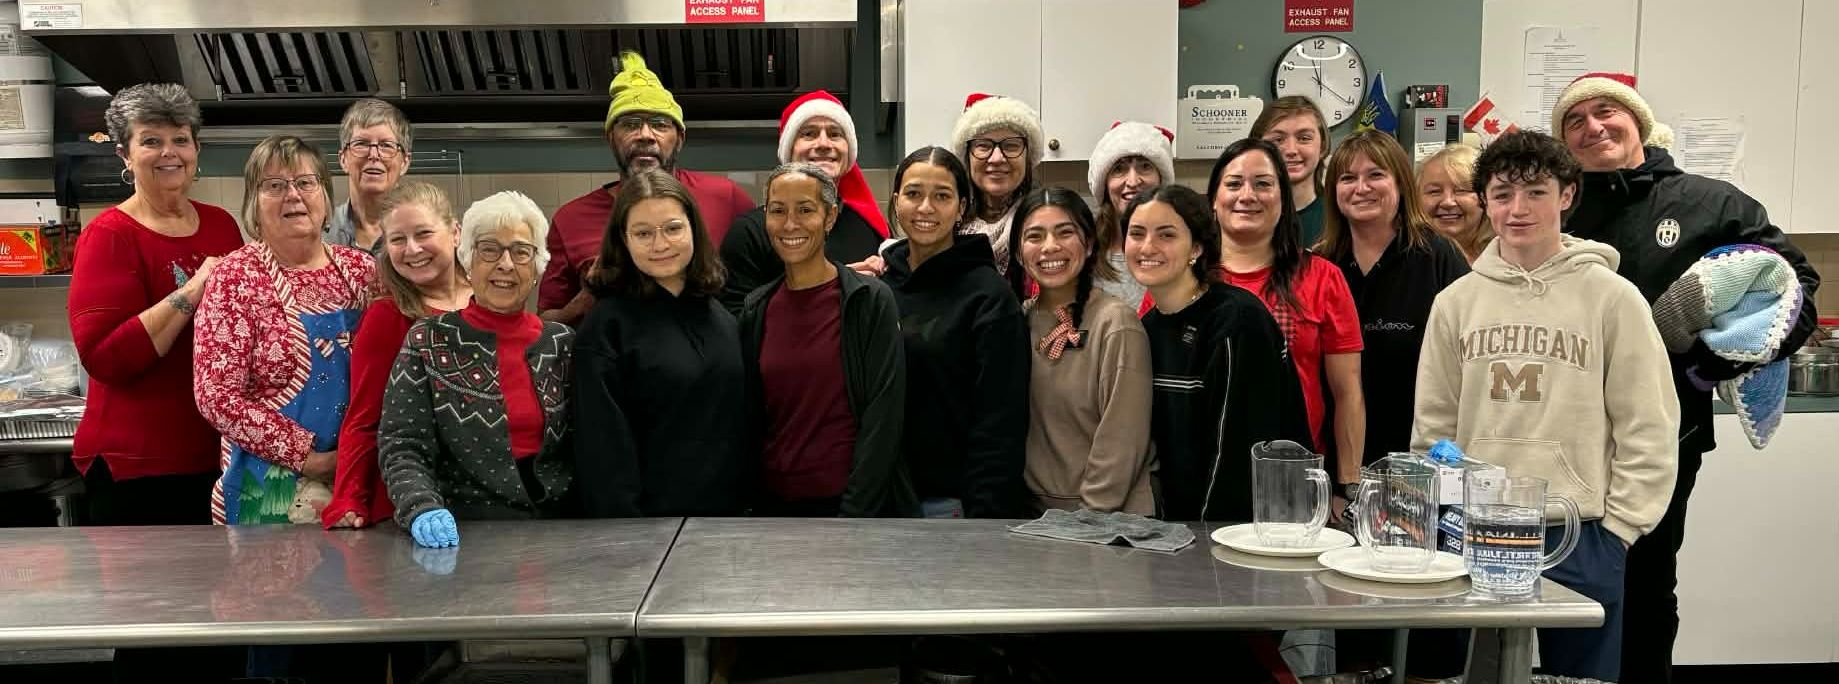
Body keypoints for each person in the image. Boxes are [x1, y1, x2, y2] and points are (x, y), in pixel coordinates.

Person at [1551, 72, 1823, 684]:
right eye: (1575, 121)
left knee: (1647, 582)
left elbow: (1793, 287)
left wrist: (1711, 367)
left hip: (1667, 434)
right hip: (1564, 435)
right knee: (1564, 582)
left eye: (1607, 111)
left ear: (1639, 122)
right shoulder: (1556, 208)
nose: (1594, 127)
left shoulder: (1711, 203)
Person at [1413, 129, 1680, 681]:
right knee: (1472, 675)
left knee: (1580, 679)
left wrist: (1621, 529)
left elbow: (1648, 422)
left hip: (1580, 531)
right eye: (1503, 194)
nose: (1518, 209)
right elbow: (1433, 424)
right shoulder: (1455, 302)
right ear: (1485, 201)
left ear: (1567, 195)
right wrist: (1441, 512)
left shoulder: (1613, 298)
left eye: (1536, 192)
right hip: (1474, 528)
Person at [66, 83, 242, 526]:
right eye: (151, 141)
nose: (169, 152)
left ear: (196, 150)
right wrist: (193, 289)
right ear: (125, 155)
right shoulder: (109, 235)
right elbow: (104, 358)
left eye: (180, 139)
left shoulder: (221, 225)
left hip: (215, 456)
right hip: (138, 468)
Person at [193, 135, 376, 526]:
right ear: (253, 205)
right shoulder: (236, 278)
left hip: (359, 477)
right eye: (274, 186)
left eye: (306, 183)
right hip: (266, 489)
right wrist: (308, 458)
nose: (293, 195)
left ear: (325, 197)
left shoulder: (363, 272)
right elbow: (216, 396)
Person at [381, 191, 576, 548]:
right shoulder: (428, 340)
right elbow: (403, 444)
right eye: (489, 250)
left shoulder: (563, 344)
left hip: (561, 533)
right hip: (465, 534)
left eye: (521, 252)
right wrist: (421, 506)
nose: (506, 264)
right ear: (468, 260)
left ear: (537, 267)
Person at [739, 163, 916, 518]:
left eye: (805, 210)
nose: (790, 224)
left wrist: (853, 515)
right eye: (778, 210)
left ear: (830, 217)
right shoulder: (756, 308)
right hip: (774, 510)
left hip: (850, 508)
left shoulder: (868, 300)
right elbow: (752, 419)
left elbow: (883, 419)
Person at [1126, 184, 1310, 521]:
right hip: (1175, 529)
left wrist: (1206, 536)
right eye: (1137, 233)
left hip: (1246, 529)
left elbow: (1237, 455)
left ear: (1196, 247)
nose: (1147, 246)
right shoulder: (1147, 326)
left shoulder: (1237, 320)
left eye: (1166, 235)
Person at [574, 171, 747, 517]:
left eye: (672, 228)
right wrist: (631, 537)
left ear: (693, 229)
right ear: (623, 240)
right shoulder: (605, 328)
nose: (660, 244)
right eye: (643, 233)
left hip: (730, 524)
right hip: (649, 530)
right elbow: (602, 457)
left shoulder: (722, 318)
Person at [540, 51, 755, 326]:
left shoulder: (727, 198)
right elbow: (548, 323)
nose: (645, 135)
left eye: (659, 125)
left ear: (680, 138)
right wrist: (586, 300)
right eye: (630, 124)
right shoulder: (570, 219)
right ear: (610, 137)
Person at [1210, 138, 1365, 507]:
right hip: (1201, 478)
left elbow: (1348, 391)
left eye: (1263, 183)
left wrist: (1347, 485)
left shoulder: (1322, 277)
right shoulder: (1183, 281)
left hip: (1294, 477)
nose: (1247, 195)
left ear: (1283, 200)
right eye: (1234, 183)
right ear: (1213, 199)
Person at [881, 147, 1031, 519]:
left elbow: (1001, 422)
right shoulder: (881, 289)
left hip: (952, 505)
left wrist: (983, 518)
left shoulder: (989, 297)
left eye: (942, 196)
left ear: (961, 207)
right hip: (884, 497)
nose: (926, 207)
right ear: (896, 202)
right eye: (914, 193)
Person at [323, 181, 470, 529]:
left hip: (484, 496)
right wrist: (349, 497)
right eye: (398, 239)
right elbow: (363, 418)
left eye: (424, 233)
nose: (412, 249)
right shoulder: (387, 317)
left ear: (455, 232)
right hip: (409, 501)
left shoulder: (489, 301)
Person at [1317, 131, 1468, 468]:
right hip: (1336, 456)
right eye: (1347, 178)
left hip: (1421, 456)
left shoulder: (1438, 256)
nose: (1361, 188)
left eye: (1375, 175)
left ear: (1401, 183)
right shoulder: (1320, 264)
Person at [1006, 187, 1153, 515]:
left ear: (1088, 244)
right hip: (1034, 515)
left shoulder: (1115, 323)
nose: (1050, 247)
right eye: (1034, 236)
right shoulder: (1017, 321)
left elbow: (1123, 438)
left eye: (1065, 232)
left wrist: (1089, 516)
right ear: (1017, 252)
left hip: (1108, 517)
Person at [720, 90, 890, 313]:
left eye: (835, 134)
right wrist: (828, 289)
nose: (824, 143)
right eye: (809, 134)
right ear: (788, 149)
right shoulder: (749, 232)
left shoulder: (868, 226)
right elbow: (733, 318)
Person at [1085, 121, 1175, 308]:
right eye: (1119, 169)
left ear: (1161, 179)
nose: (1133, 182)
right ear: (1105, 184)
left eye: (1145, 167)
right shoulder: (1084, 251)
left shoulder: (1181, 249)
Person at [951, 93, 1044, 270]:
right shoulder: (949, 221)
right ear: (967, 156)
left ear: (1028, 157)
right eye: (983, 146)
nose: (997, 158)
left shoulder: (1046, 219)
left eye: (1011, 146)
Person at [325, 98, 413, 254]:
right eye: (361, 144)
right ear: (343, 159)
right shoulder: (321, 234)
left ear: (405, 162)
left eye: (386, 145)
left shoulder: (420, 231)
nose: (373, 155)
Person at [1250, 96, 1333, 246]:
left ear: (1322, 146)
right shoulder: (1243, 213)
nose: (1291, 150)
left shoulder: (1340, 215)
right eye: (1278, 140)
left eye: (1304, 138)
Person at [1417, 143, 1490, 264]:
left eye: (1461, 190)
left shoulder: (1508, 254)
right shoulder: (1407, 258)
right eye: (1434, 191)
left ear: (1486, 197)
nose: (1448, 202)